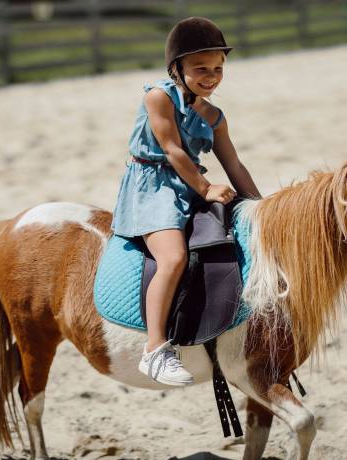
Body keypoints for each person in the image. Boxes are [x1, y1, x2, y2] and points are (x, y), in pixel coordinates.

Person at [110, 17, 261, 386]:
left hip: (188, 184)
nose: (211, 77)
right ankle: (155, 348)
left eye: (217, 69)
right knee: (173, 256)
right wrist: (206, 188)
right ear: (176, 68)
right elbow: (172, 149)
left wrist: (260, 205)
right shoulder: (157, 97)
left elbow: (235, 163)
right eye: (200, 69)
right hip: (154, 187)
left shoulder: (214, 116)